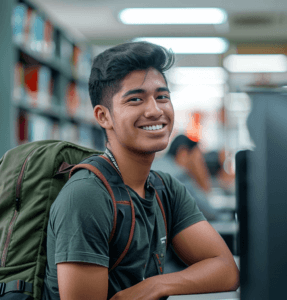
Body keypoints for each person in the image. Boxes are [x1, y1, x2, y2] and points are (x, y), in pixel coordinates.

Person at [42, 41, 239, 300]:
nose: (155, 110)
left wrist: (155, 285)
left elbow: (226, 270)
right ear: (103, 117)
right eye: (135, 99)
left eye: (162, 97)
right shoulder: (87, 195)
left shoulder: (164, 187)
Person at [152, 134, 222, 221]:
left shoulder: (155, 164)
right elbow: (209, 213)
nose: (201, 162)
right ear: (183, 153)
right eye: (199, 159)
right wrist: (200, 170)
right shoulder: (179, 175)